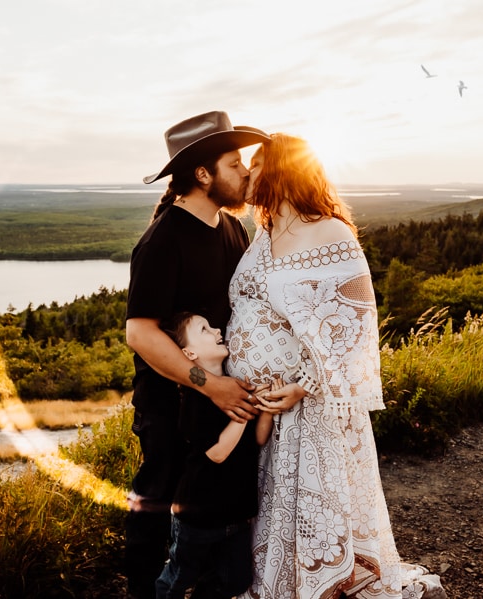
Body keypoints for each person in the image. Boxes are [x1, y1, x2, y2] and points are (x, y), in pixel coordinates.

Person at [226, 134, 447, 599]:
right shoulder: (261, 236)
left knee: (316, 510)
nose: (250, 172)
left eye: (260, 163)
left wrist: (303, 386)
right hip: (263, 412)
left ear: (286, 169)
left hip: (310, 409)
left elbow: (356, 323)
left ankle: (322, 585)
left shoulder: (331, 233)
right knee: (272, 509)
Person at [124, 111, 270, 599]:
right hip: (170, 407)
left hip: (220, 405)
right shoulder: (163, 239)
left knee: (217, 512)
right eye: (234, 163)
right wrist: (211, 385)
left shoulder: (232, 229)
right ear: (203, 174)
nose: (246, 171)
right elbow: (141, 333)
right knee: (158, 504)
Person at [155, 312, 275, 599]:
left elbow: (258, 440)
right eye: (204, 329)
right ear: (189, 353)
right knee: (179, 577)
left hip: (236, 515)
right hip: (197, 516)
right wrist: (245, 410)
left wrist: (266, 408)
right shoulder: (195, 400)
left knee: (235, 579)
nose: (217, 330)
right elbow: (218, 453)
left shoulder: (235, 386)